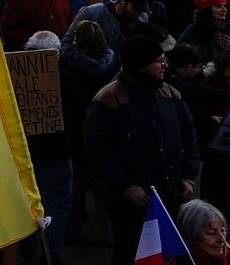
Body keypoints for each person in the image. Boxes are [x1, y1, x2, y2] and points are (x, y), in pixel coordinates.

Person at [85, 35, 201, 265]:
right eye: (159, 61)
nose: (164, 66)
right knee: (131, 254)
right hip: (133, 201)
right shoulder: (109, 98)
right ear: (141, 65)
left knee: (176, 254)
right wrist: (125, 186)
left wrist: (188, 176)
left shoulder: (171, 94)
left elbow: (189, 137)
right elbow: (98, 149)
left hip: (171, 193)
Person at [178, 199, 230, 264]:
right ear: (192, 236)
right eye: (211, 233)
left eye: (222, 230)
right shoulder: (177, 260)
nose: (222, 239)